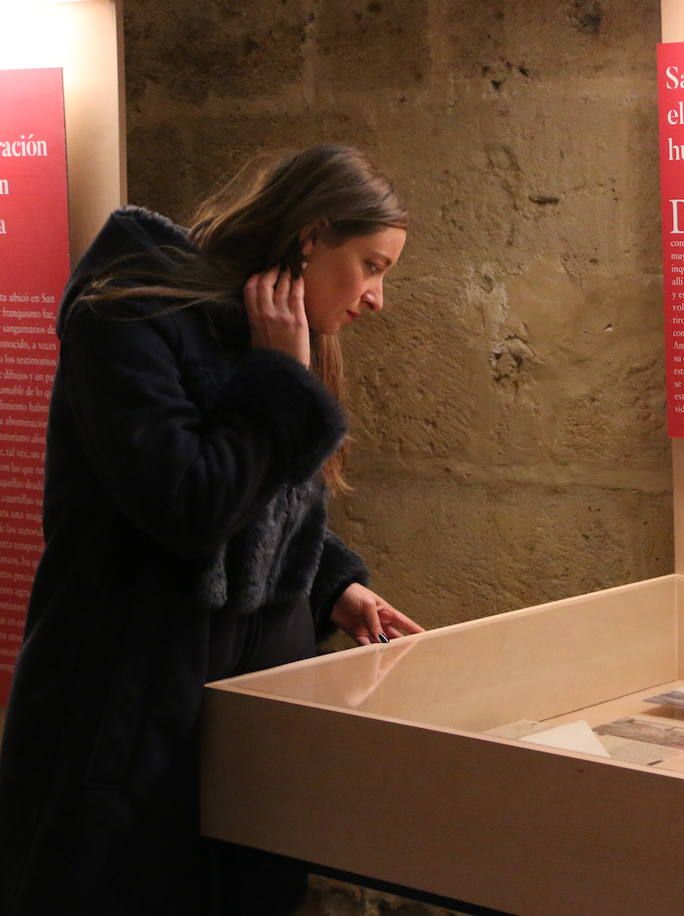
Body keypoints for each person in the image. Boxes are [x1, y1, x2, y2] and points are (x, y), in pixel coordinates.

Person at [0, 144, 425, 915]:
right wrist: (281, 383)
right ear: (310, 236)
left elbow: (269, 505)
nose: (375, 298)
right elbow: (189, 506)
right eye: (371, 265)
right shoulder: (127, 312)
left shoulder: (257, 334)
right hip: (132, 705)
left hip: (240, 714)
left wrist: (336, 585)